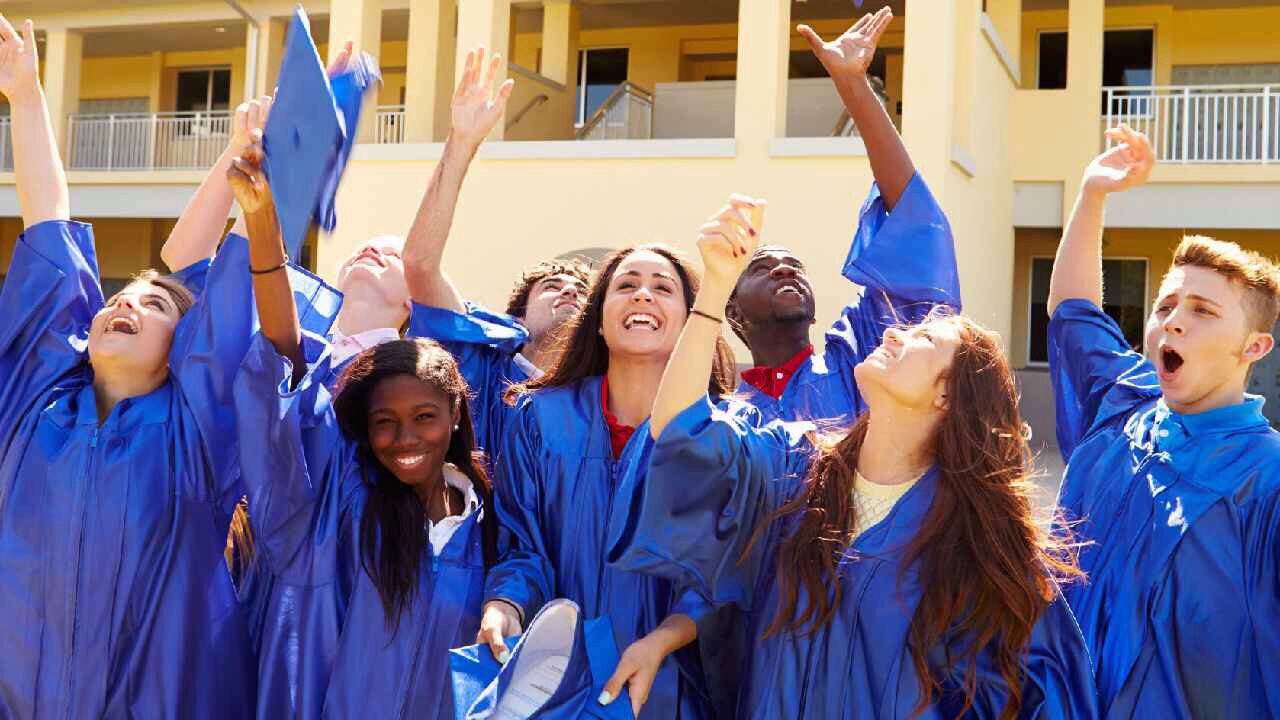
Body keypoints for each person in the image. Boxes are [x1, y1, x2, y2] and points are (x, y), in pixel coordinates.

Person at [608, 192, 1098, 719]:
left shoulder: (977, 551)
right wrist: (714, 289)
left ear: (947, 396)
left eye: (921, 339)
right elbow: (682, 427)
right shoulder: (796, 471)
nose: (891, 331)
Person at [0, 16, 260, 716]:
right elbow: (47, 218)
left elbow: (223, 278)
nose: (129, 305)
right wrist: (25, 95)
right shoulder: (31, 400)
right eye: (121, 296)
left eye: (158, 307)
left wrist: (248, 163)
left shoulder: (197, 436)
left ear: (187, 349)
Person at [227, 135, 501, 719]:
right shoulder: (309, 375)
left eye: (391, 253)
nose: (372, 252)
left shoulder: (422, 380)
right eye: (362, 245)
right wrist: (264, 228)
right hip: (296, 629)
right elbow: (280, 352)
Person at [1046, 125, 1280, 717]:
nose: (1173, 322)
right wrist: (1092, 194)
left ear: (1254, 348)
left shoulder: (1268, 480)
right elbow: (1073, 311)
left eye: (1203, 311)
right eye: (1165, 306)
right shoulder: (1123, 403)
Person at [474, 238, 739, 719]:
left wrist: (663, 638)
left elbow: (729, 573)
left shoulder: (721, 436)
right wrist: (505, 604)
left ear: (689, 323)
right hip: (557, 683)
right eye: (627, 285)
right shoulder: (541, 419)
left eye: (663, 287)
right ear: (597, 319)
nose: (643, 295)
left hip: (672, 686)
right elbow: (522, 547)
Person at [726, 7, 959, 425]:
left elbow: (915, 230)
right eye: (763, 268)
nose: (785, 271)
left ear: (816, 313)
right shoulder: (721, 417)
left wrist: (853, 85)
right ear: (734, 312)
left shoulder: (858, 363)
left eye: (795, 267)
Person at [404, 46, 591, 457]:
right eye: (552, 286)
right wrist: (463, 141)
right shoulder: (480, 366)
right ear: (518, 318)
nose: (569, 292)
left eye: (581, 291)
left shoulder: (604, 397)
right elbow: (420, 264)